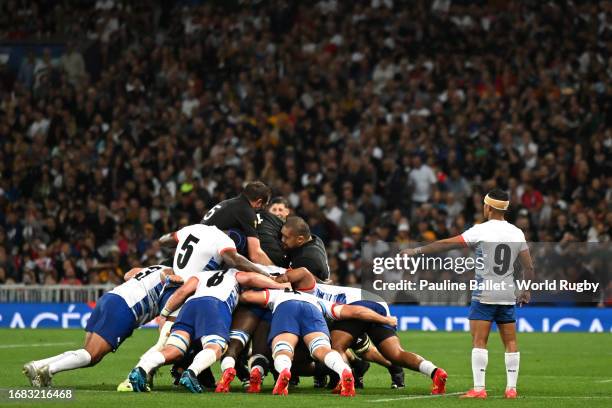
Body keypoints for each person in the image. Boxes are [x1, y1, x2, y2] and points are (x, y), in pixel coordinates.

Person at [401, 189, 534, 399]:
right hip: (508, 293)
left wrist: (417, 251)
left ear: (488, 207)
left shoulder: (480, 230)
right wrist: (526, 290)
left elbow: (446, 244)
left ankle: (479, 390)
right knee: (510, 341)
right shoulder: (517, 232)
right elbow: (528, 267)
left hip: (485, 294)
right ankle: (511, 389)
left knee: (479, 341)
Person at [128, 268, 286, 393]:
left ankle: (141, 369)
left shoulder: (201, 275)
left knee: (175, 349)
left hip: (190, 306)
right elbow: (251, 278)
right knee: (215, 348)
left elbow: (181, 293)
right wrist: (279, 285)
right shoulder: (233, 274)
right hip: (215, 305)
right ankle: (191, 373)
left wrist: (164, 314)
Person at [23, 264, 176, 387]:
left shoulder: (155, 267)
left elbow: (128, 274)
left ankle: (38, 365)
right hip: (125, 308)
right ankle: (48, 371)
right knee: (91, 355)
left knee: (87, 352)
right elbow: (165, 316)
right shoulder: (173, 276)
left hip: (110, 298)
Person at [239, 288, 398, 397]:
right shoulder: (319, 300)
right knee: (321, 349)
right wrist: (385, 319)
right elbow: (354, 311)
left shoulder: (279, 292)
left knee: (283, 349)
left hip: (286, 307)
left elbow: (247, 297)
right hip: (313, 310)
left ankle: (284, 372)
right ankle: (344, 371)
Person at [313, 283, 448, 394]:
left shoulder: (305, 295)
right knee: (396, 353)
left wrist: (386, 320)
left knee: (337, 347)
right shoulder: (316, 288)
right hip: (378, 304)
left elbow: (357, 312)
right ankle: (435, 372)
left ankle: (344, 382)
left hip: (358, 307)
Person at [201, 181, 273, 265]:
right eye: (264, 205)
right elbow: (255, 255)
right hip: (204, 252)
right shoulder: (246, 211)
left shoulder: (230, 202)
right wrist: (276, 269)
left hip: (196, 242)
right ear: (259, 202)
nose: (263, 208)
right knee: (239, 237)